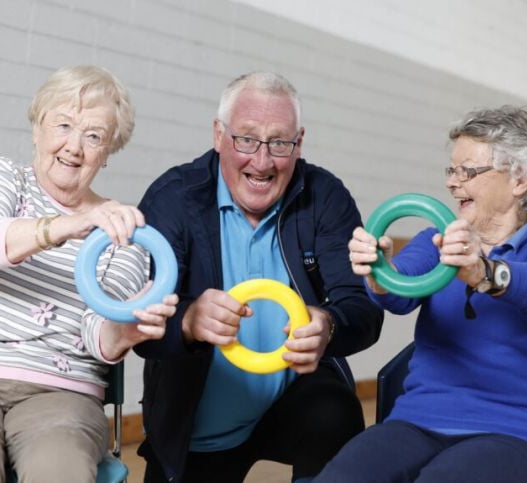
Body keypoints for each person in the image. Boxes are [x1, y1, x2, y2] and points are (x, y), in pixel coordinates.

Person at [0, 65, 178, 483]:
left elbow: (97, 333)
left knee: (60, 469)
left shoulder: (124, 233)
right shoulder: (4, 177)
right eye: (63, 124)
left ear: (108, 151)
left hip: (61, 394)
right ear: (37, 128)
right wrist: (67, 225)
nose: (74, 147)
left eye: (94, 135)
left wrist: (128, 330)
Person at [316, 105, 527, 483]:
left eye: (469, 171)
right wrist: (378, 269)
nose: (452, 183)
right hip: (416, 423)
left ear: (520, 180)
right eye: (452, 170)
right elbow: (397, 294)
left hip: (521, 436)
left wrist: (482, 272)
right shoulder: (436, 240)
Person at [133, 72, 385, 483]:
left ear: (299, 142)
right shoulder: (173, 198)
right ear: (219, 135)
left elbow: (363, 309)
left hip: (293, 399)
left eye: (280, 143)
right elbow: (140, 325)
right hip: (196, 426)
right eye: (246, 139)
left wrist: (328, 325)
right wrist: (190, 320)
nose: (262, 161)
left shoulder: (324, 196)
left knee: (335, 413)